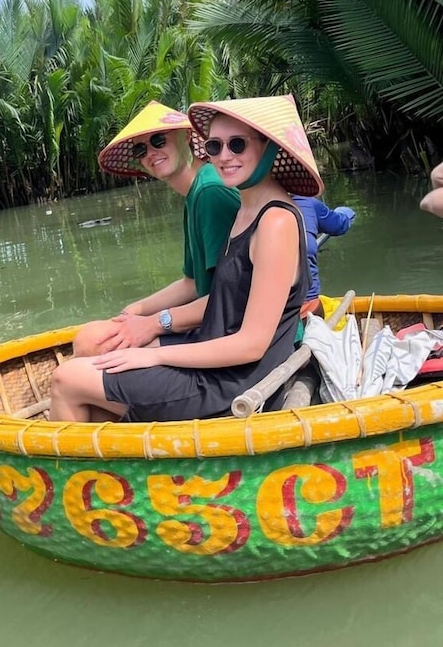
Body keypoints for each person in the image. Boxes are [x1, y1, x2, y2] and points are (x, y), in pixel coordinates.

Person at [50, 94, 320, 423]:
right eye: (214, 146)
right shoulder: (247, 209)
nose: (224, 156)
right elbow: (215, 293)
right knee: (93, 376)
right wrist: (141, 322)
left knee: (66, 380)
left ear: (268, 147)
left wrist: (154, 356)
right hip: (217, 355)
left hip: (234, 381)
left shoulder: (275, 221)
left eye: (237, 145)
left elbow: (252, 344)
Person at [72, 100, 240, 356]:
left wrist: (154, 323)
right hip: (217, 322)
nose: (151, 152)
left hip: (231, 332)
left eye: (159, 140)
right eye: (141, 149)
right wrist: (133, 311)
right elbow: (192, 283)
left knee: (91, 343)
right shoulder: (197, 192)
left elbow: (231, 296)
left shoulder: (210, 192)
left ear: (186, 136)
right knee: (91, 338)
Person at [291, 195, 356, 315]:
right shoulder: (306, 203)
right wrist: (347, 213)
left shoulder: (257, 206)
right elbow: (338, 225)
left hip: (292, 307)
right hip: (306, 307)